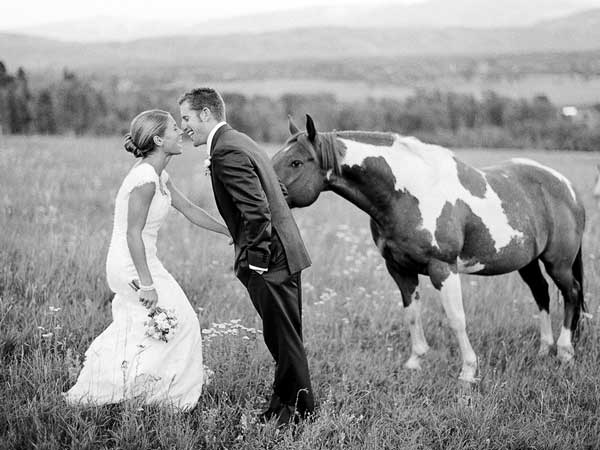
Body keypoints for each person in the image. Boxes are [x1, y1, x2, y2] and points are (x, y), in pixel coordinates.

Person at [64, 109, 229, 411]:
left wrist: (230, 230)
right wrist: (148, 284)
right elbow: (132, 234)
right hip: (132, 263)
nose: (181, 132)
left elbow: (190, 210)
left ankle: (148, 387)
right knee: (179, 322)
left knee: (157, 325)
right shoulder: (144, 180)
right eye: (174, 129)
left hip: (142, 259)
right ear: (158, 139)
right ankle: (157, 395)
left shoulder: (158, 174)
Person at [179, 88, 315, 425]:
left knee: (283, 338)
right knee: (285, 335)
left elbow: (256, 210)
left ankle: (297, 415)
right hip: (286, 249)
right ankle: (283, 406)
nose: (184, 127)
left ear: (206, 114)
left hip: (270, 258)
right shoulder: (239, 140)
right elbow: (278, 190)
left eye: (186, 118)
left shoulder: (226, 151)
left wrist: (256, 259)